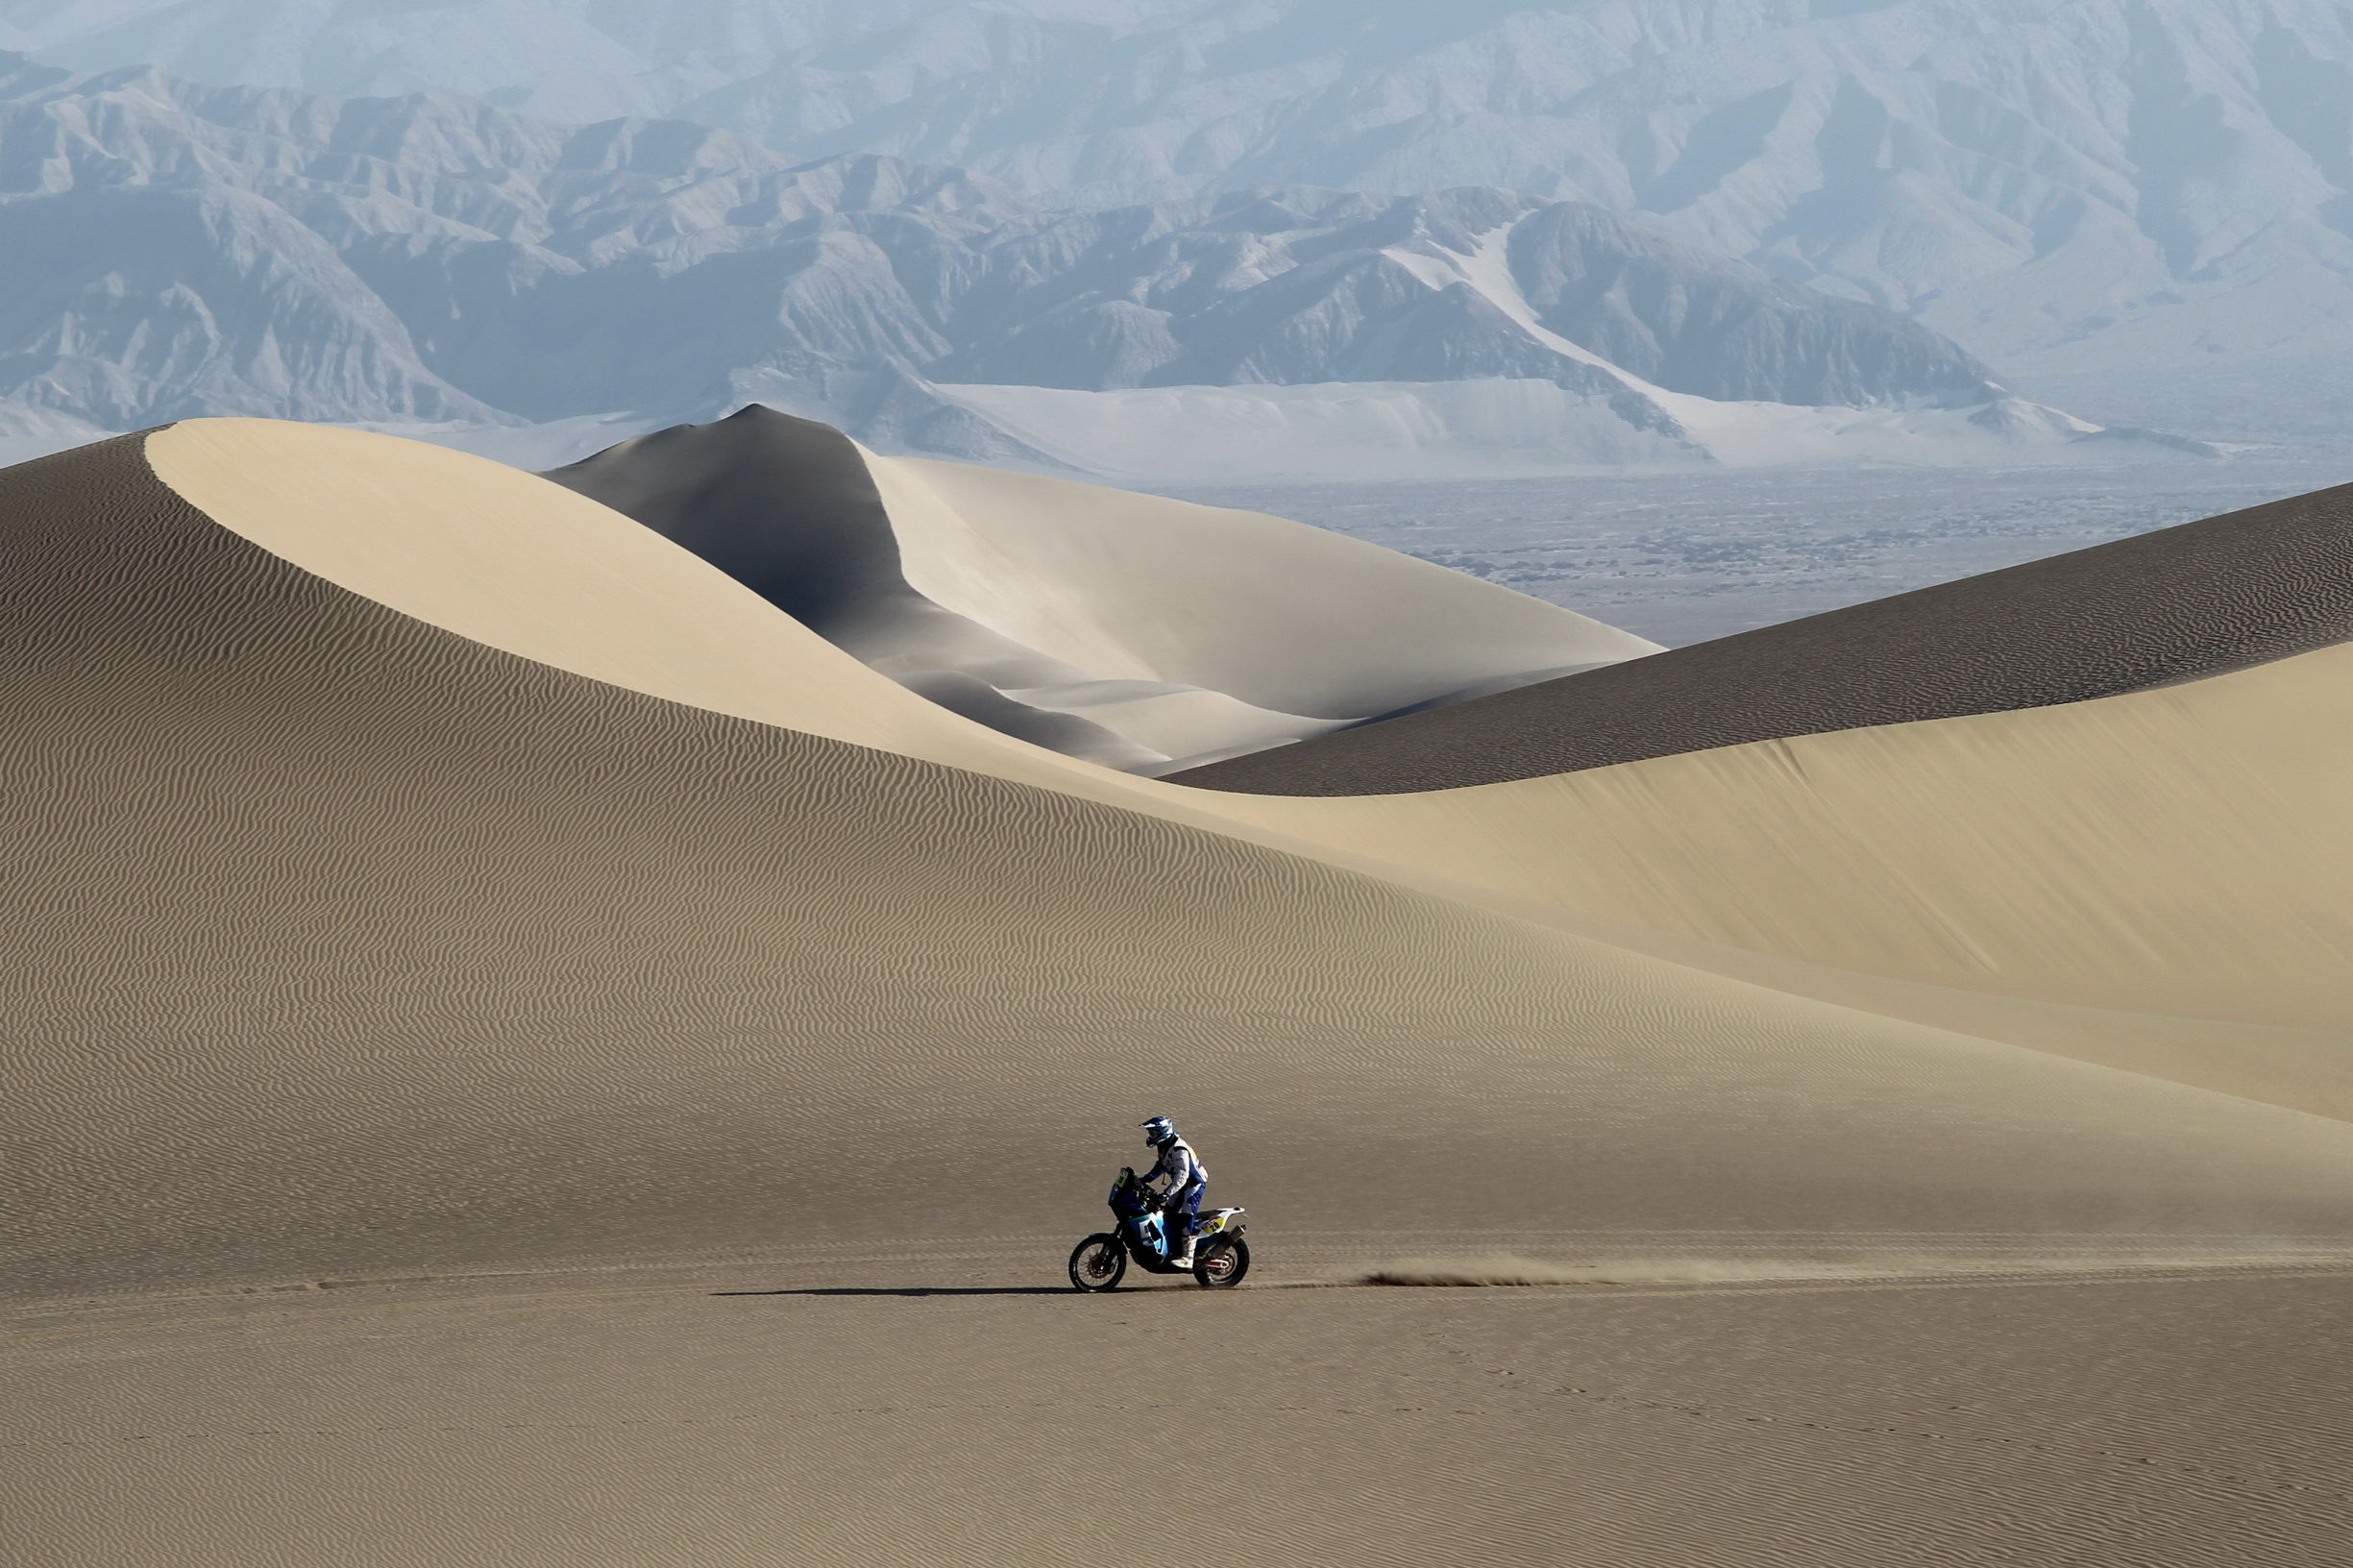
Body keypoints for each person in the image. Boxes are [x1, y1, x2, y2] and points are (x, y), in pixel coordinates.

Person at [1139, 1115, 1208, 1267]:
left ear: (1162, 1131)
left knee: (1186, 1217)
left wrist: (1166, 1193)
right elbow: (1161, 1165)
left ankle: (1188, 1258)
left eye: (1153, 1133)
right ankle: (1173, 1247)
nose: (1151, 1136)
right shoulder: (1165, 1146)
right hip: (1182, 1185)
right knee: (1167, 1212)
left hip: (1194, 1184)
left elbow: (1182, 1177)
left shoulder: (1179, 1149)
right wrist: (1144, 1179)